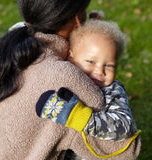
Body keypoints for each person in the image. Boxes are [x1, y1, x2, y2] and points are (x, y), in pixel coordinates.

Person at [0, 0, 141, 160]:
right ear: (78, 19)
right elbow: (126, 150)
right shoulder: (65, 77)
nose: (99, 71)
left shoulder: (10, 44)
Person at [39, 20, 140, 160]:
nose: (99, 71)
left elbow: (123, 126)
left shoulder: (113, 90)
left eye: (109, 65)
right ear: (71, 57)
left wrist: (78, 117)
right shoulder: (63, 79)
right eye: (91, 62)